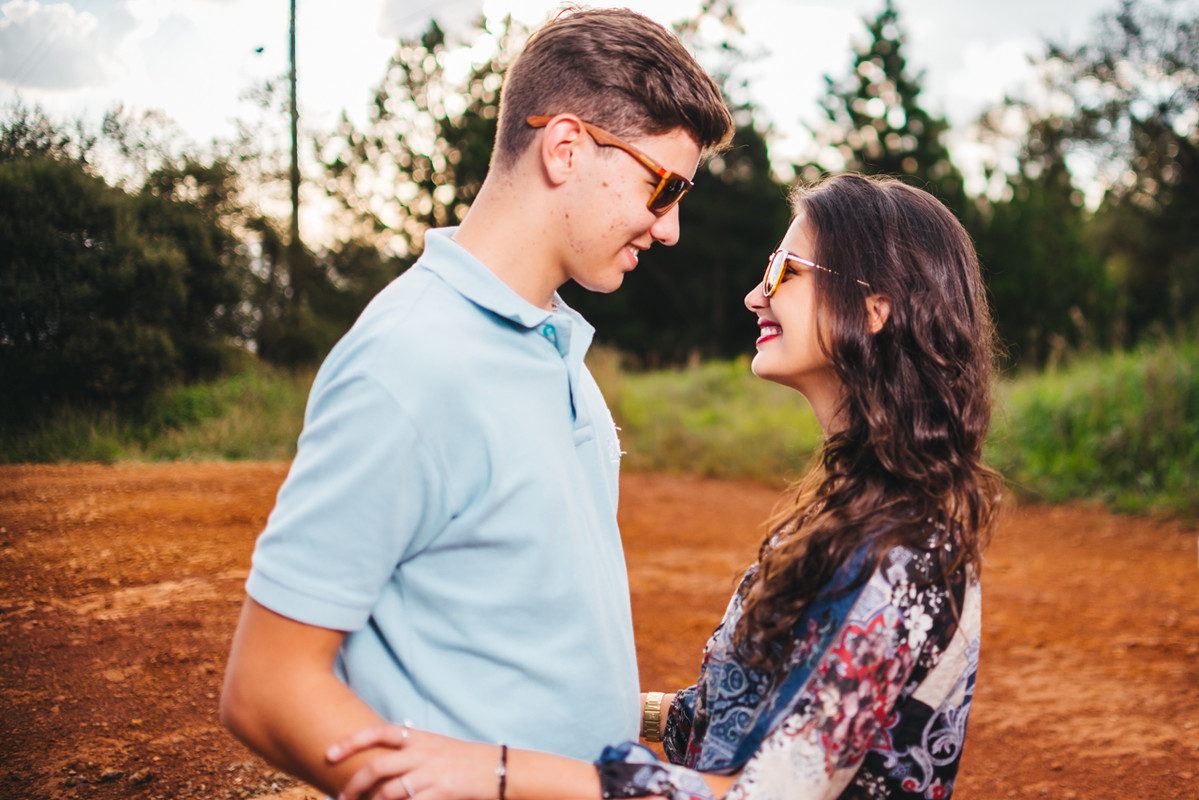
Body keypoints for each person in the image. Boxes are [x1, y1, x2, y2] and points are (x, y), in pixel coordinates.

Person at [323, 173, 1004, 800]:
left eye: (783, 270)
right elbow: (736, 715)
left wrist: (498, 770)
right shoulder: (861, 508)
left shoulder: (902, 553)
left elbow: (765, 792)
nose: (755, 294)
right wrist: (589, 710)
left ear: (875, 308)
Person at [219, 7, 733, 796]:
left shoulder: (552, 343)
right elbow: (267, 689)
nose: (669, 229)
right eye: (663, 188)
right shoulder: (409, 362)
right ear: (565, 148)